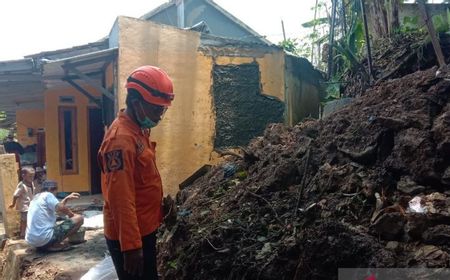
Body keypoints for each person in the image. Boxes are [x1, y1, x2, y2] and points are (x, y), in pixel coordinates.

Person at [97, 65, 175, 280]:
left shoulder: (139, 129)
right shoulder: (120, 141)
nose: (160, 116)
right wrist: (131, 246)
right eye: (157, 109)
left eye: (163, 109)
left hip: (145, 228)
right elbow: (120, 198)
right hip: (131, 237)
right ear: (136, 103)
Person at [25, 180, 84, 252]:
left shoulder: (36, 197)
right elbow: (60, 208)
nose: (56, 193)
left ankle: (45, 246)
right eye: (56, 190)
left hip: (32, 240)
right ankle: (54, 245)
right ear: (50, 189)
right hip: (43, 239)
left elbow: (57, 209)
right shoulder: (48, 195)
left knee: (56, 225)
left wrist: (66, 199)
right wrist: (72, 215)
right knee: (79, 218)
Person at [9, 166, 35, 238]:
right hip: (24, 206)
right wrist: (13, 204)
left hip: (30, 204)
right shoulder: (22, 185)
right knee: (24, 220)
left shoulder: (31, 183)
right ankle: (22, 234)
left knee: (30, 218)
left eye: (33, 176)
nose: (32, 178)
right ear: (23, 176)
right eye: (30, 176)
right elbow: (16, 195)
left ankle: (28, 232)